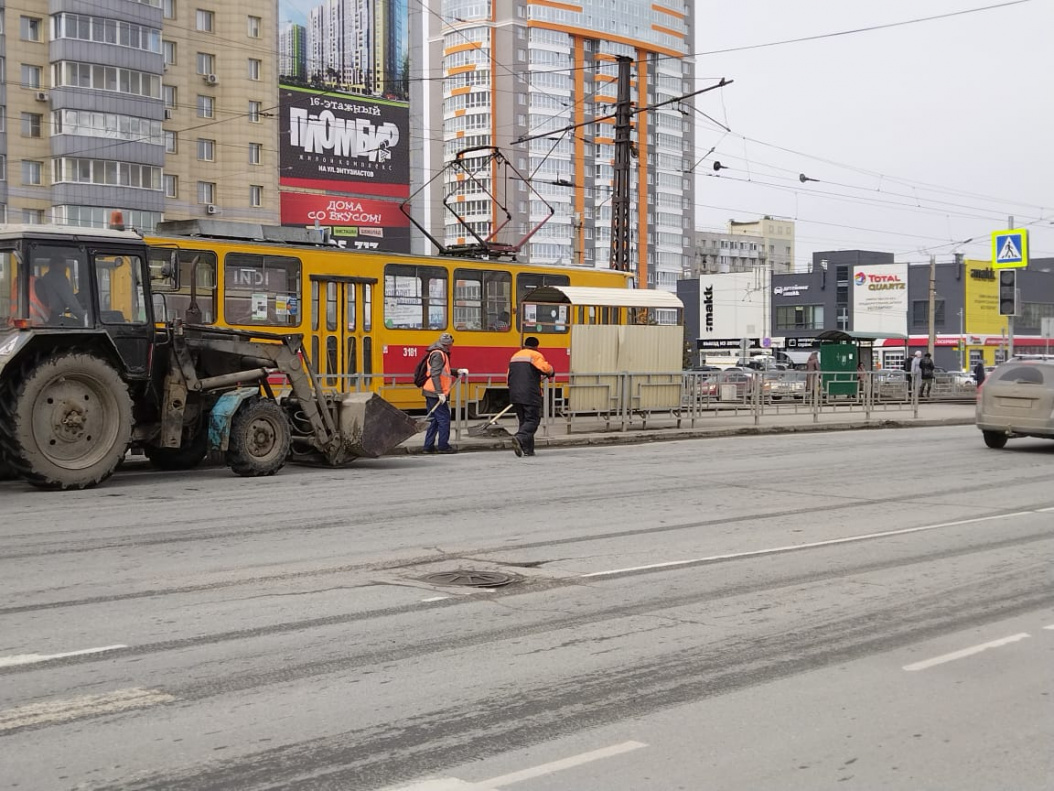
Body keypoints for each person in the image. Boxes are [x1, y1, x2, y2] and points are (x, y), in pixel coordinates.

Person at [507, 336, 554, 457]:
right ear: (536, 346)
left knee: (524, 421)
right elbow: (545, 368)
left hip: (515, 393)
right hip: (530, 393)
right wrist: (551, 371)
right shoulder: (535, 355)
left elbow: (508, 376)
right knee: (533, 420)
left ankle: (528, 450)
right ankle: (520, 437)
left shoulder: (515, 356)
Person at [421, 333, 468, 454]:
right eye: (451, 344)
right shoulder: (438, 354)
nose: (451, 346)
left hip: (431, 391)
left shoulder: (439, 353)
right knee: (444, 419)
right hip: (434, 392)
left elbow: (443, 371)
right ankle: (443, 446)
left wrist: (457, 371)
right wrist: (439, 393)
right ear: (448, 344)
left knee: (434, 420)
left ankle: (428, 446)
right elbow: (435, 374)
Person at [34, 256, 86, 324]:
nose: (65, 268)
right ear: (57, 265)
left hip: (46, 316)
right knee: (79, 325)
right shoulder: (58, 277)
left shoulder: (47, 276)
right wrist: (85, 319)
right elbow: (71, 302)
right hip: (53, 317)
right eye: (64, 264)